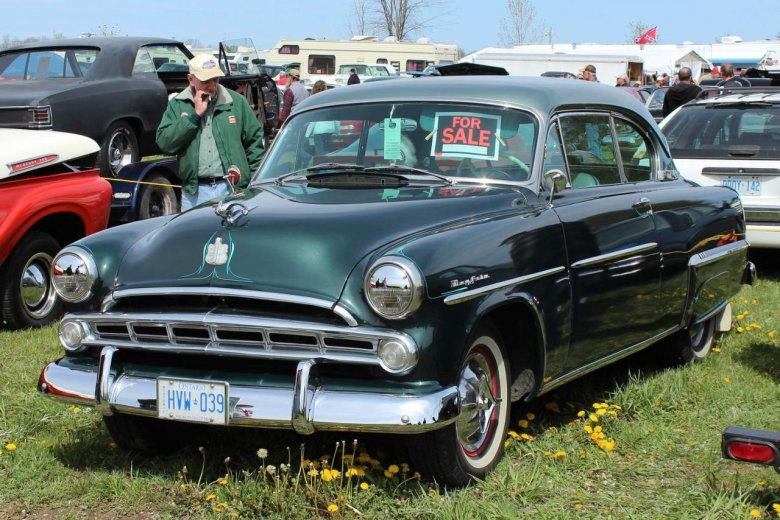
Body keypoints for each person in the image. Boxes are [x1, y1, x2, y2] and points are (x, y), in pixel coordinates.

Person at [156, 54, 265, 212]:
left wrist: (252, 183)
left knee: (232, 236)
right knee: (195, 237)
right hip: (194, 192)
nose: (212, 85)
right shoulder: (178, 105)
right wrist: (194, 116)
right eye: (206, 80)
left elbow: (255, 143)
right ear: (191, 79)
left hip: (232, 189)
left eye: (215, 79)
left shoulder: (236, 102)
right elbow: (165, 144)